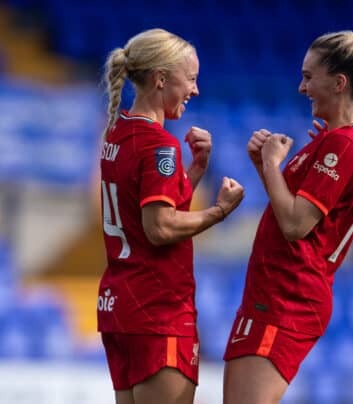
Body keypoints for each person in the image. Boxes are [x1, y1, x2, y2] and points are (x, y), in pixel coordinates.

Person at [222, 24, 353, 403]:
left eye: (308, 76)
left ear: (339, 83)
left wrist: (270, 165)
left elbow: (295, 225)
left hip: (286, 297)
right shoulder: (341, 140)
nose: (301, 87)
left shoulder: (343, 145)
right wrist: (264, 166)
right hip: (277, 293)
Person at [97, 28, 244, 404]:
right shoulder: (159, 144)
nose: (195, 90)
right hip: (157, 310)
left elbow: (146, 206)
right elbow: (159, 227)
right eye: (191, 79)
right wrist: (219, 211)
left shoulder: (118, 133)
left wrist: (193, 171)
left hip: (120, 305)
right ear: (161, 79)